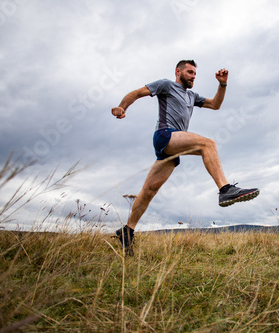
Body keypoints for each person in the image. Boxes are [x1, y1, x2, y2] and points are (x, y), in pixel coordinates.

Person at [111, 60, 259, 254]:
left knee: (149, 190)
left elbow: (215, 105)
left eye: (195, 74)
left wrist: (222, 84)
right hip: (165, 135)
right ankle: (225, 189)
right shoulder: (166, 85)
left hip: (173, 148)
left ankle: (127, 231)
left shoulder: (192, 96)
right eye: (189, 72)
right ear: (178, 71)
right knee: (208, 144)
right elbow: (138, 93)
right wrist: (122, 107)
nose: (193, 76)